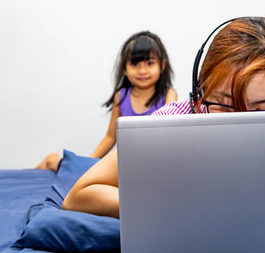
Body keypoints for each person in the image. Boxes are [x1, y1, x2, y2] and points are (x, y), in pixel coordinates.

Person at [56, 17, 265, 218]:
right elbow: (79, 196)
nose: (241, 124)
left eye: (261, 110)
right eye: (224, 104)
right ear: (200, 91)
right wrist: (169, 209)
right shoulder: (169, 122)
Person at [36, 31, 177, 170]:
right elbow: (111, 137)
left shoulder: (169, 95)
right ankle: (52, 162)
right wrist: (89, 163)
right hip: (125, 161)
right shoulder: (120, 96)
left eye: (149, 63)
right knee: (84, 173)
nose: (142, 71)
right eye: (135, 64)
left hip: (154, 161)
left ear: (162, 65)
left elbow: (169, 137)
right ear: (124, 69)